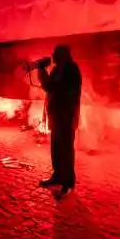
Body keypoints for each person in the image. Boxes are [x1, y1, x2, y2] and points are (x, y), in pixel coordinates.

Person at [38, 45, 82, 199]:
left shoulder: (71, 70)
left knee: (66, 150)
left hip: (67, 116)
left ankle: (68, 183)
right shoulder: (58, 69)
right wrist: (42, 71)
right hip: (57, 115)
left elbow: (55, 87)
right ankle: (57, 176)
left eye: (55, 54)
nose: (53, 56)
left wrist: (43, 73)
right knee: (56, 147)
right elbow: (49, 86)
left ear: (62, 55)